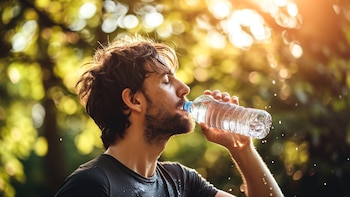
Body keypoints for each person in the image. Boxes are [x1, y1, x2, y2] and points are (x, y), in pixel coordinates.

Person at [55, 35, 284, 197]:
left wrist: (242, 149)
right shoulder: (91, 185)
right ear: (134, 100)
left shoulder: (181, 181)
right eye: (166, 81)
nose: (184, 88)